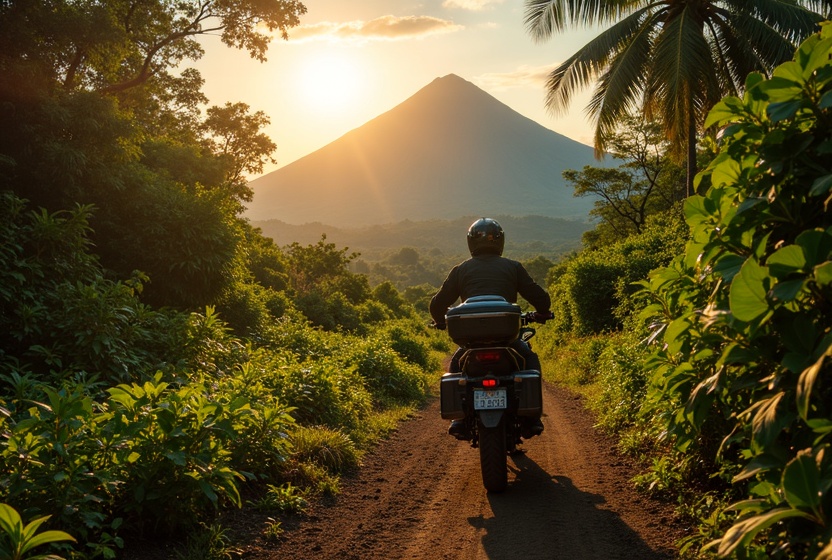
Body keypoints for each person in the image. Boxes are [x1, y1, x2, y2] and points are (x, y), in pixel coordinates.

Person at [430, 217, 551, 439]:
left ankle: (458, 419)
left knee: (456, 364)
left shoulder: (461, 270)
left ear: (470, 242)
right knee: (530, 360)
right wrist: (542, 312)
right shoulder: (513, 267)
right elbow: (540, 299)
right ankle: (532, 417)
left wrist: (439, 320)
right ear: (501, 241)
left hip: (470, 342)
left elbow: (437, 304)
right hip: (507, 339)